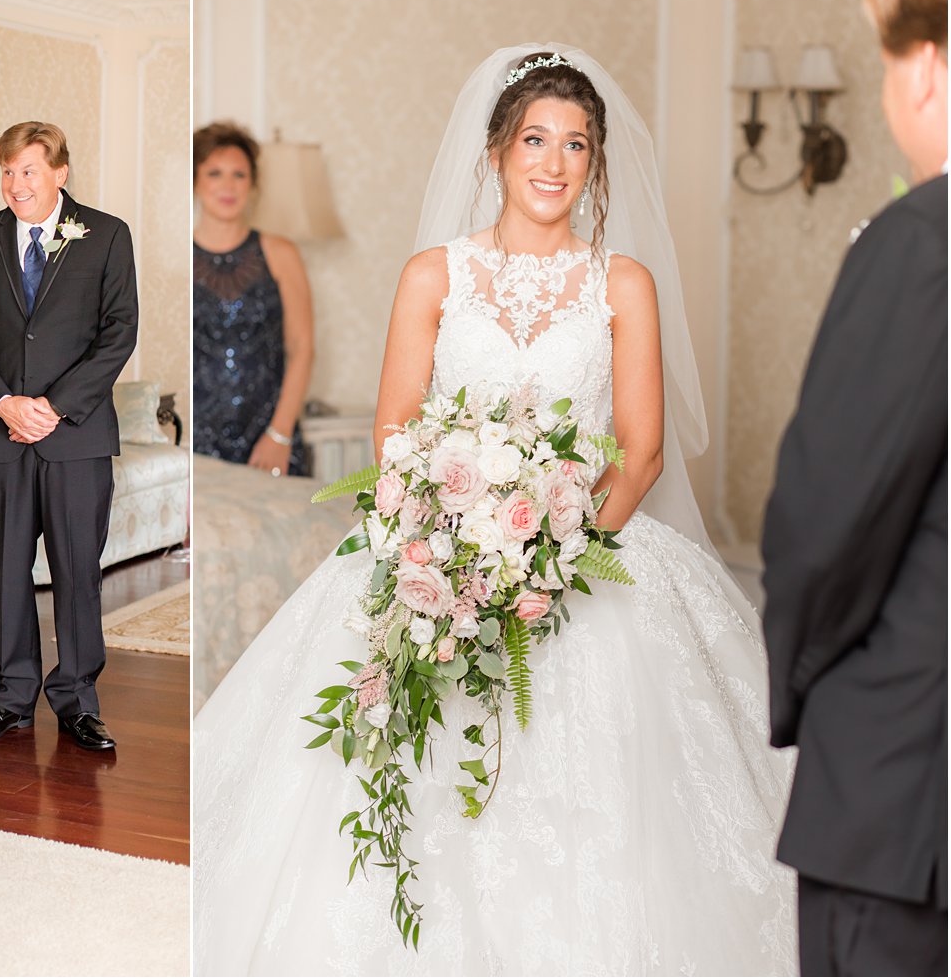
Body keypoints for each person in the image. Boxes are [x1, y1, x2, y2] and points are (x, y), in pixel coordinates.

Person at [192, 47, 797, 975]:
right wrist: (444, 547)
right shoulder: (434, 276)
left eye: (577, 146)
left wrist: (555, 558)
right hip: (435, 559)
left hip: (591, 560)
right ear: (496, 152)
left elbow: (639, 452)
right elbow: (396, 433)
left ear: (596, 165)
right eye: (536, 140)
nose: (554, 163)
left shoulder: (621, 283)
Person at [761, 0, 947, 977]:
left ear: (920, 63)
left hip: (906, 779)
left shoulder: (920, 243)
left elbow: (828, 519)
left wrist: (791, 680)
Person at [0, 121, 138, 751]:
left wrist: (53, 407)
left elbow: (119, 332)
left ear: (60, 173)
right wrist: (4, 403)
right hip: (2, 437)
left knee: (78, 570)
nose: (15, 184)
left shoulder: (107, 236)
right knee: (7, 569)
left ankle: (78, 700)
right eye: (6, 171)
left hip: (75, 435)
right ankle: (10, 697)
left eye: (28, 171)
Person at [192, 121, 315, 477]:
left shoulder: (280, 252)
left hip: (269, 438)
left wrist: (279, 434)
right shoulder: (180, 258)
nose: (228, 186)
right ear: (197, 182)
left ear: (253, 184)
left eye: (239, 175)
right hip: (200, 444)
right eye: (215, 173)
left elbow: (302, 347)